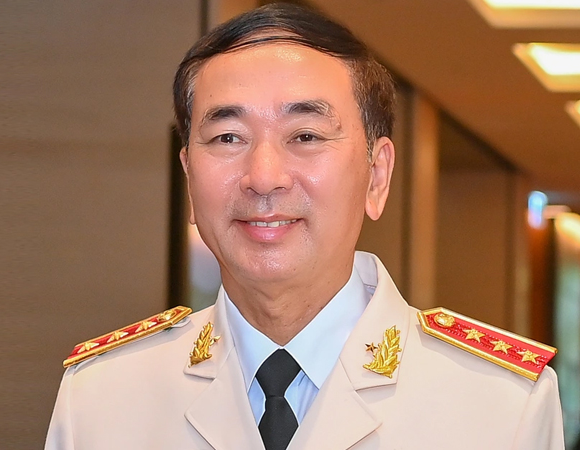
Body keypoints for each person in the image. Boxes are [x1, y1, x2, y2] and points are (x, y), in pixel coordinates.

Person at [45, 4, 564, 449]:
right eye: (228, 137)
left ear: (377, 176)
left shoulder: (499, 405)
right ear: (188, 177)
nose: (263, 176)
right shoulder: (102, 397)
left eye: (306, 135)